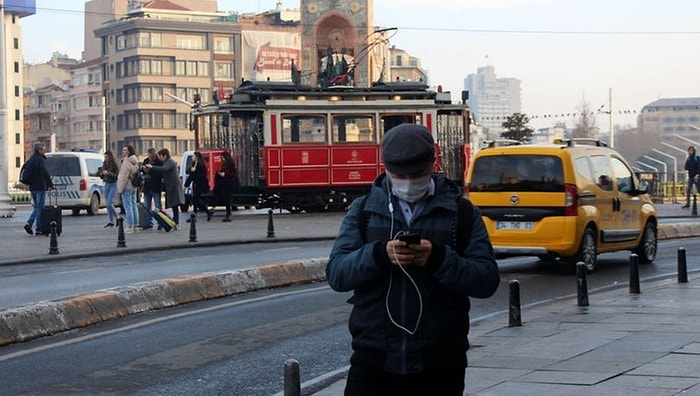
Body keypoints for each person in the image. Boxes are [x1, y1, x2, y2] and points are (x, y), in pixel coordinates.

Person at [326, 124, 501, 396]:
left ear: (433, 162)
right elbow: (337, 274)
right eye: (399, 175)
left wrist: (439, 259)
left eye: (416, 174)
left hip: (440, 360)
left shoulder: (461, 214)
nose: (407, 182)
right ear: (386, 168)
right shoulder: (364, 211)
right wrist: (379, 255)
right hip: (374, 356)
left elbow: (486, 279)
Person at [144, 148, 185, 229]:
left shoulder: (169, 162)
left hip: (174, 186)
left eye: (160, 156)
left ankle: (176, 223)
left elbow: (163, 169)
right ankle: (175, 222)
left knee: (175, 205)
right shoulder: (166, 162)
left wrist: (152, 167)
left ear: (164, 155)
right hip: (171, 186)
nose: (159, 158)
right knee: (174, 205)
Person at [22, 142, 54, 236]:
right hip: (40, 186)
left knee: (37, 207)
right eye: (43, 149)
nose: (44, 150)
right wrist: (50, 184)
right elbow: (44, 172)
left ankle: (35, 226)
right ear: (39, 150)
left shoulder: (31, 159)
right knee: (39, 207)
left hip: (33, 187)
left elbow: (24, 169)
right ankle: (33, 225)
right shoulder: (40, 160)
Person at [184, 151, 213, 222]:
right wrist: (186, 185)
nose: (192, 158)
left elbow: (201, 176)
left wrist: (194, 172)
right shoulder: (194, 165)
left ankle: (206, 212)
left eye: (193, 156)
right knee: (195, 200)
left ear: (197, 157)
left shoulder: (201, 166)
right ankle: (196, 214)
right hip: (195, 184)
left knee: (196, 200)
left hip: (201, 185)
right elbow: (191, 176)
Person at [117, 145, 140, 234]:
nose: (123, 151)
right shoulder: (135, 161)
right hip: (134, 186)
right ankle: (136, 225)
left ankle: (130, 226)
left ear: (129, 152)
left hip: (127, 186)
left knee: (128, 207)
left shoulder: (126, 162)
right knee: (134, 206)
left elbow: (123, 177)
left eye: (125, 150)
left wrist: (120, 189)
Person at [141, 148, 163, 229]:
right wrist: (143, 169)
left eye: (151, 156)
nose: (149, 158)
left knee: (158, 205)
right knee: (147, 206)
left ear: (154, 155)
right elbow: (142, 171)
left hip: (156, 186)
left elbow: (160, 174)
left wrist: (150, 170)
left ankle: (160, 222)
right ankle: (148, 222)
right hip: (147, 186)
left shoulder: (159, 162)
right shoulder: (146, 160)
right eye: (149, 156)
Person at [216, 149, 239, 222]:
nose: (222, 159)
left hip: (229, 184)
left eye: (222, 157)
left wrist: (225, 174)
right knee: (226, 199)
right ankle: (228, 213)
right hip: (225, 184)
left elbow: (233, 174)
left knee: (228, 199)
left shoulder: (231, 164)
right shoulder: (225, 164)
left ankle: (228, 214)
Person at [99, 150, 120, 228]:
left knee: (109, 203)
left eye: (106, 157)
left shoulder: (114, 165)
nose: (105, 158)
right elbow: (101, 173)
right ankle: (111, 220)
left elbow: (116, 176)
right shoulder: (104, 164)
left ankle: (117, 217)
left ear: (110, 157)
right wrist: (102, 174)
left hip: (113, 184)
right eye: (105, 157)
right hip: (106, 183)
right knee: (108, 205)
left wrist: (108, 173)